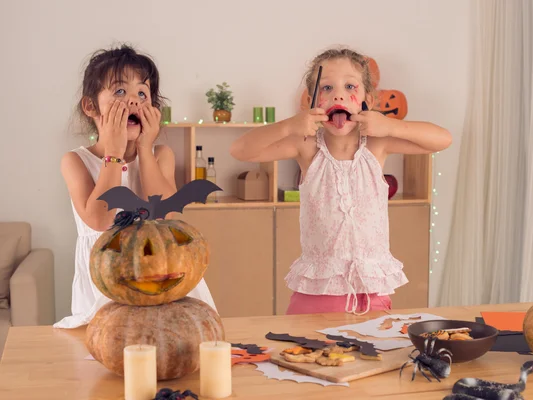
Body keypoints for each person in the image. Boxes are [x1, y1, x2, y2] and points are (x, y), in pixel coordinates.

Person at [230, 47, 452, 315]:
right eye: (326, 88)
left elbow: (443, 139)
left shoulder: (378, 144)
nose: (338, 95)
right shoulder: (306, 146)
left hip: (371, 294)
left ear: (366, 99)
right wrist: (289, 126)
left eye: (350, 86)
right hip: (317, 293)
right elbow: (241, 150)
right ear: (311, 101)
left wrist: (390, 125)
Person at [54, 45, 216, 329]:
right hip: (107, 278)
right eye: (119, 91)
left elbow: (163, 216)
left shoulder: (160, 155)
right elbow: (100, 220)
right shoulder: (75, 161)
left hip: (161, 271)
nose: (133, 101)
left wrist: (144, 148)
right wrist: (114, 153)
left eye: (142, 93)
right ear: (91, 106)